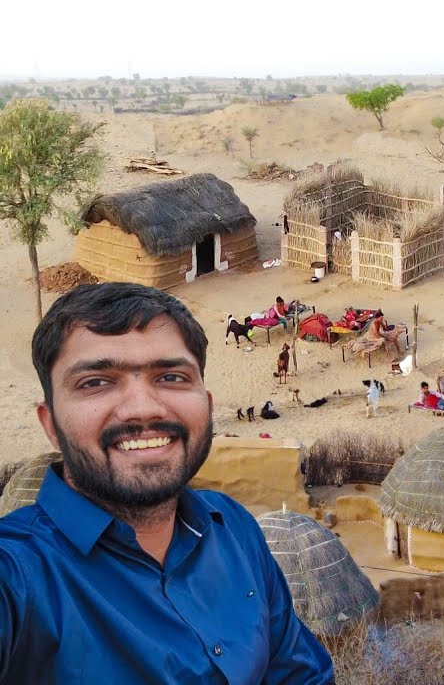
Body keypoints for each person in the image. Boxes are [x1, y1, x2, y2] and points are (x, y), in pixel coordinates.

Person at [0, 282, 334, 684]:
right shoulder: (18, 573)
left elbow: (300, 674)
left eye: (171, 376)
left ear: (207, 407)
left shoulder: (232, 526)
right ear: (50, 423)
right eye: (96, 382)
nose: (143, 408)